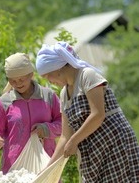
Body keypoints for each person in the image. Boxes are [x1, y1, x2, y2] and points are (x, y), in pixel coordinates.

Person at [36, 41, 139, 182]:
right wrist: (47, 171)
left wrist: (74, 140)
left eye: (48, 76)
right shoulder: (64, 94)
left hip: (115, 145)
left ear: (58, 68)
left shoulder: (87, 76)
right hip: (94, 153)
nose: (49, 81)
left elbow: (98, 114)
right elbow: (65, 136)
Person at [0, 52, 62, 174]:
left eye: (21, 79)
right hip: (15, 167)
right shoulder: (4, 102)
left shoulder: (48, 96)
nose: (18, 84)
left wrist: (46, 129)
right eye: (13, 81)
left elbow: (63, 124)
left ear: (31, 74)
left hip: (46, 163)